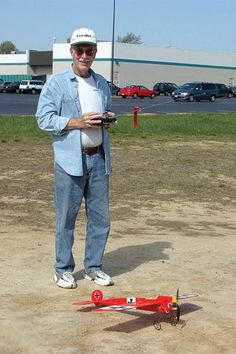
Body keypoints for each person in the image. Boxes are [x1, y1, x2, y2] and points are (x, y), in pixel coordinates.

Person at [36, 27, 116, 289]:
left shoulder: (102, 83)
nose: (84, 55)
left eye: (89, 50)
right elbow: (43, 119)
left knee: (100, 219)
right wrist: (77, 122)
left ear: (95, 52)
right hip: (69, 162)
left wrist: (107, 120)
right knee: (66, 219)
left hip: (99, 159)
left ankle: (93, 267)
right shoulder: (56, 83)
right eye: (79, 50)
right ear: (72, 52)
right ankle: (63, 269)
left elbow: (102, 113)